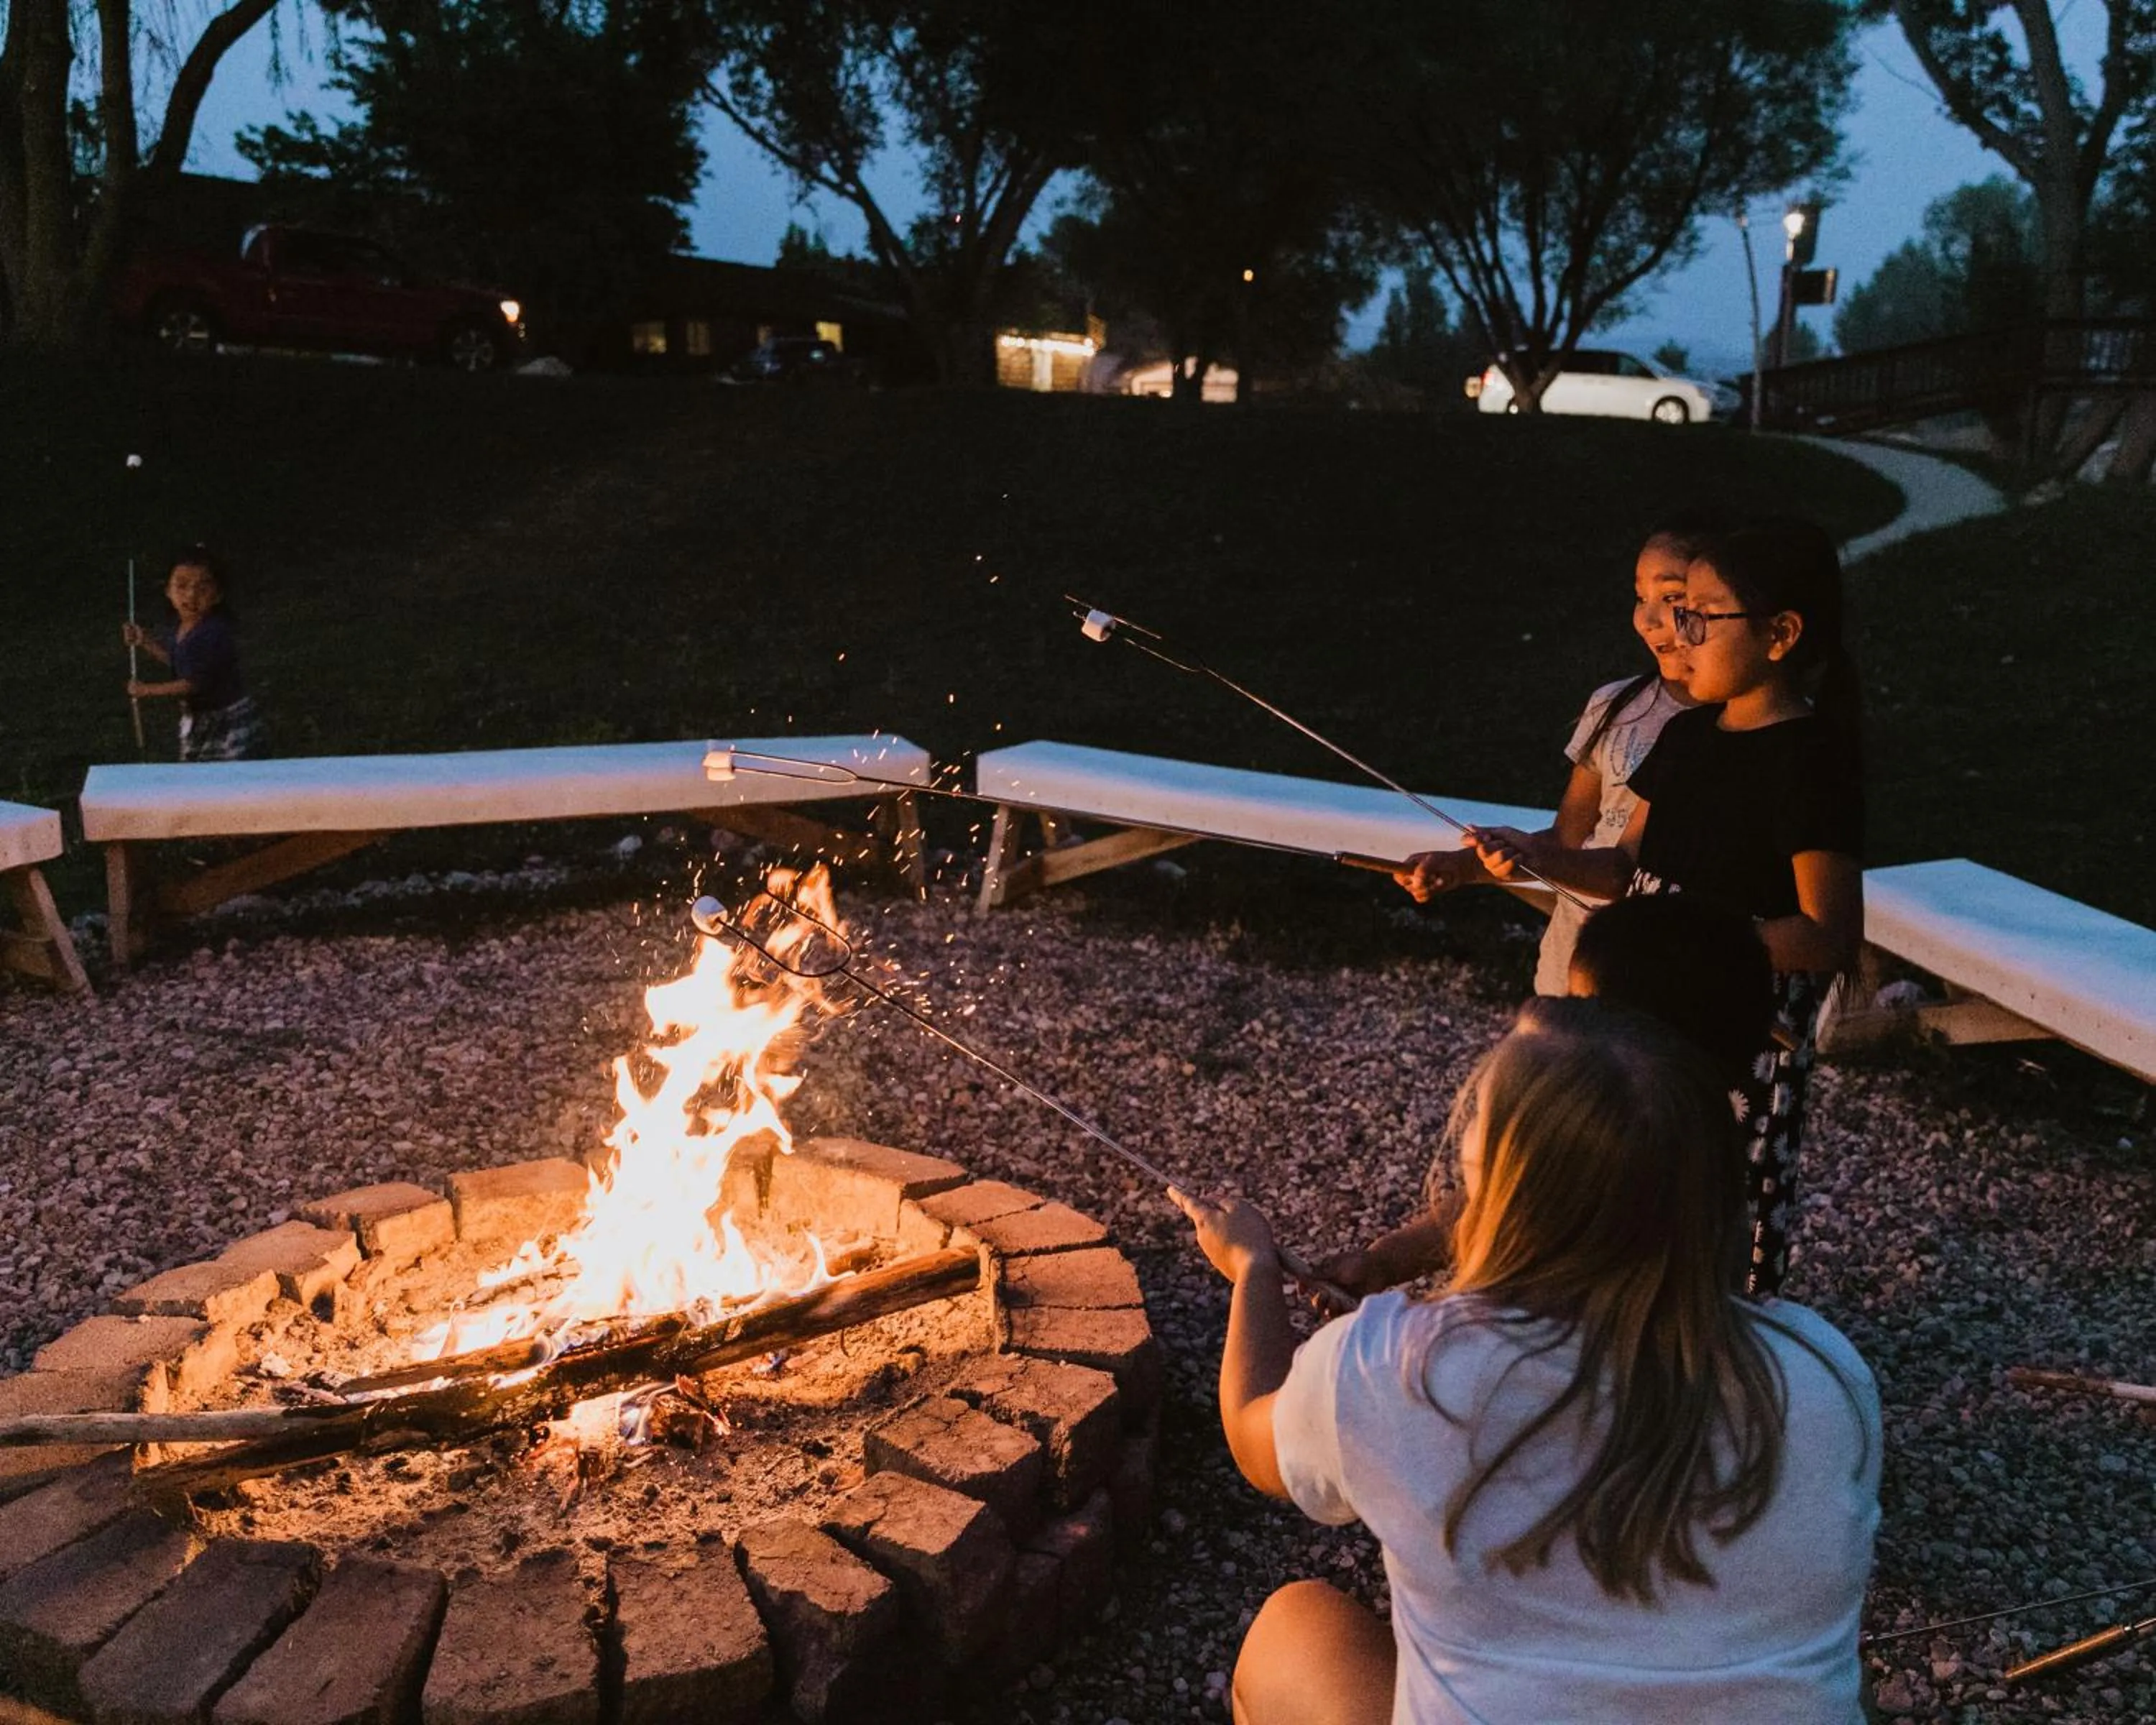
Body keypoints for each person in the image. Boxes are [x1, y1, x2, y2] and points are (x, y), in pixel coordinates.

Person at [1175, 998, 1881, 1725]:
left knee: (1293, 1631)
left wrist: (1254, 1270)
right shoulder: (1824, 1372)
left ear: (1498, 1195)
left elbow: (1251, 1435)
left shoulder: (1399, 1370)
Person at [1465, 518, 1864, 1296]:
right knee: (1623, 1173)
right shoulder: (1685, 737)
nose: (1679, 634)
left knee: (1715, 1194)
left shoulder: (1810, 761)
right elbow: (1620, 866)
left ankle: (1714, 1353)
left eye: (1699, 617)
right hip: (1642, 1000)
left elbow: (1828, 933)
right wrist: (1540, 854)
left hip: (1737, 1019)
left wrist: (1691, 946)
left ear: (1779, 634)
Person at [1317, 892, 1776, 1300]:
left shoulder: (1646, 1164)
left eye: (1581, 1005)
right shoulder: (1678, 1139)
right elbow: (1505, 1192)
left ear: (1641, 1043)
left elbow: (1513, 1201)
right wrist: (1388, 1260)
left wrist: (1257, 1270)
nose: (1563, 1013)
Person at [1394, 513, 1723, 995]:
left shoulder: (1744, 727)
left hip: (1668, 975)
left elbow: (1624, 871)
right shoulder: (1616, 706)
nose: (1648, 619)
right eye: (1640, 597)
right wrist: (1463, 867)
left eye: (1672, 598)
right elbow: (1569, 838)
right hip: (1576, 961)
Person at [123, 546, 263, 761]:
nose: (191, 595)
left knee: (230, 779)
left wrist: (147, 691)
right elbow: (179, 662)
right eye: (182, 586)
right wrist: (145, 642)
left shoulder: (213, 633)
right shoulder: (179, 627)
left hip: (226, 720)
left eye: (202, 588)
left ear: (218, 595)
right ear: (168, 591)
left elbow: (193, 683)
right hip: (200, 718)